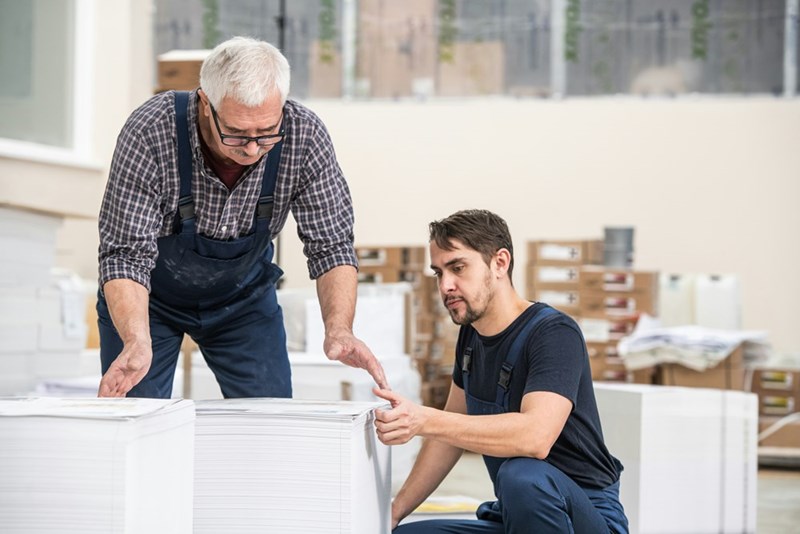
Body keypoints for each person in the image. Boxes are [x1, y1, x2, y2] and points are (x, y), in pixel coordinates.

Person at [97, 36, 388, 399]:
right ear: (206, 103)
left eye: (266, 133)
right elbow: (125, 255)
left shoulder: (305, 135)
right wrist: (135, 339)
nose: (252, 148)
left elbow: (331, 246)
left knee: (269, 419)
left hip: (243, 303)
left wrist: (339, 328)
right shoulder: (152, 130)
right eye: (235, 134)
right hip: (148, 300)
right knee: (137, 413)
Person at [373, 209, 628, 533]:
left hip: (585, 517)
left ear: (500, 262)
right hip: (515, 518)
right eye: (438, 273)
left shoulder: (554, 334)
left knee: (522, 475)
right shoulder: (470, 337)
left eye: (458, 267)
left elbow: (535, 437)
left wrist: (424, 419)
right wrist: (392, 514)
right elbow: (446, 440)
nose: (445, 285)